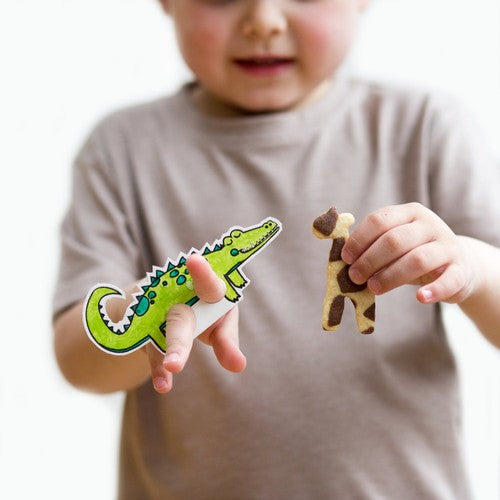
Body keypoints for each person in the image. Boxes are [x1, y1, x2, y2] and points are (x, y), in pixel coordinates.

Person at [53, 0, 500, 498]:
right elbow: (77, 358)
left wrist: (474, 267)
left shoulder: (426, 127)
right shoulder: (120, 149)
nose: (264, 21)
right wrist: (153, 315)